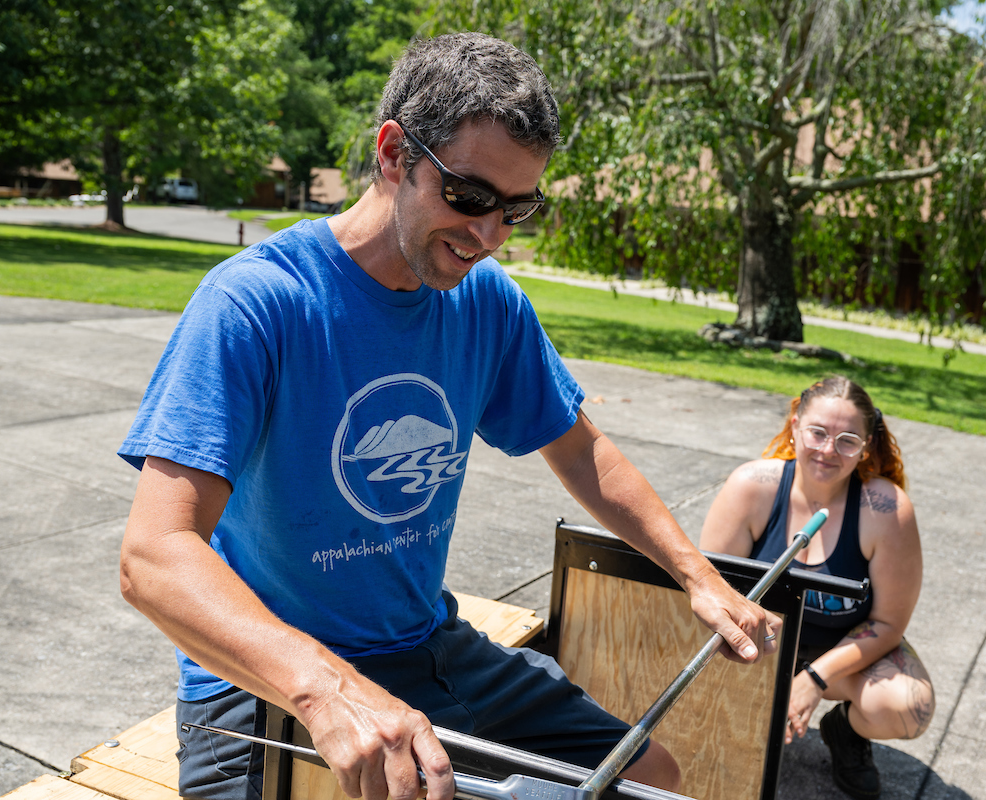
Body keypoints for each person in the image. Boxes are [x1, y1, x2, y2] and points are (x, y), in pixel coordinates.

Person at [117, 32, 777, 800]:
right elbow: (154, 556)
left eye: (517, 209)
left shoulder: (487, 303)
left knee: (647, 779)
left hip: (426, 644)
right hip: (265, 682)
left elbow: (580, 450)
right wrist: (325, 687)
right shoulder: (256, 303)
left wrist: (699, 577)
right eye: (470, 197)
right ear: (393, 154)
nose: (489, 237)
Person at [699, 375, 935, 800]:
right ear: (795, 426)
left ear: (866, 446)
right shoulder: (752, 486)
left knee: (907, 707)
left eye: (847, 440)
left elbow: (888, 624)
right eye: (818, 433)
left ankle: (844, 731)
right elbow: (711, 593)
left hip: (840, 655)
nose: (828, 450)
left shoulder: (885, 509)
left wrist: (813, 681)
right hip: (761, 644)